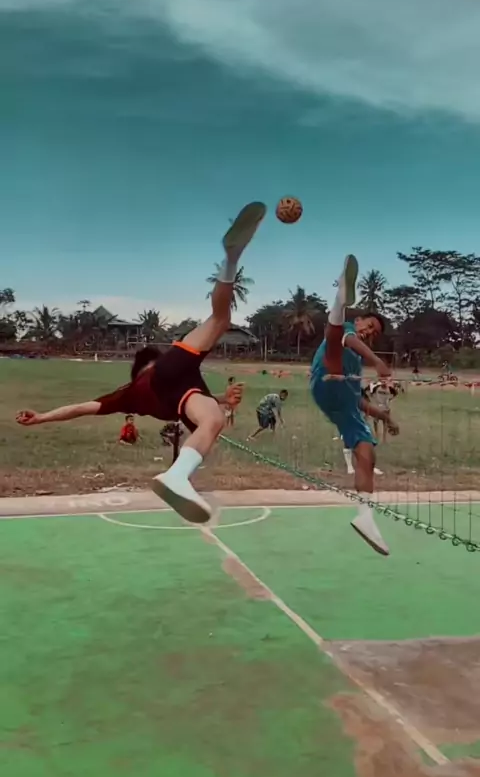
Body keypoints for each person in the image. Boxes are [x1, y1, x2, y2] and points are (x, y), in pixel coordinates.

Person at [16, 201, 266, 524]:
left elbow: (81, 408)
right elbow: (184, 396)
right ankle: (231, 259)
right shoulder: (153, 384)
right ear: (148, 366)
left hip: (176, 375)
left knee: (212, 411)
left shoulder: (131, 394)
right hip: (178, 363)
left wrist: (41, 418)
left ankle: (178, 476)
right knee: (219, 321)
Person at [310, 254, 399, 556]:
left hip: (341, 401)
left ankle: (365, 516)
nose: (370, 332)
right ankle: (341, 297)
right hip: (326, 377)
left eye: (375, 333)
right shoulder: (350, 330)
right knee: (335, 340)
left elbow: (355, 400)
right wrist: (378, 362)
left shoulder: (357, 363)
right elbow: (348, 338)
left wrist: (384, 417)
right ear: (359, 320)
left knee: (366, 450)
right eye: (369, 325)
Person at [367, 378, 399, 443]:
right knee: (375, 421)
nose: (384, 382)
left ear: (387, 382)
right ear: (380, 382)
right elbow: (370, 393)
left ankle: (384, 438)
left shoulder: (390, 389)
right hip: (378, 408)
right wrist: (374, 400)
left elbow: (395, 393)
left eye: (385, 381)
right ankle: (376, 434)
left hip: (386, 409)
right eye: (382, 381)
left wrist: (390, 399)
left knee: (385, 423)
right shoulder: (377, 387)